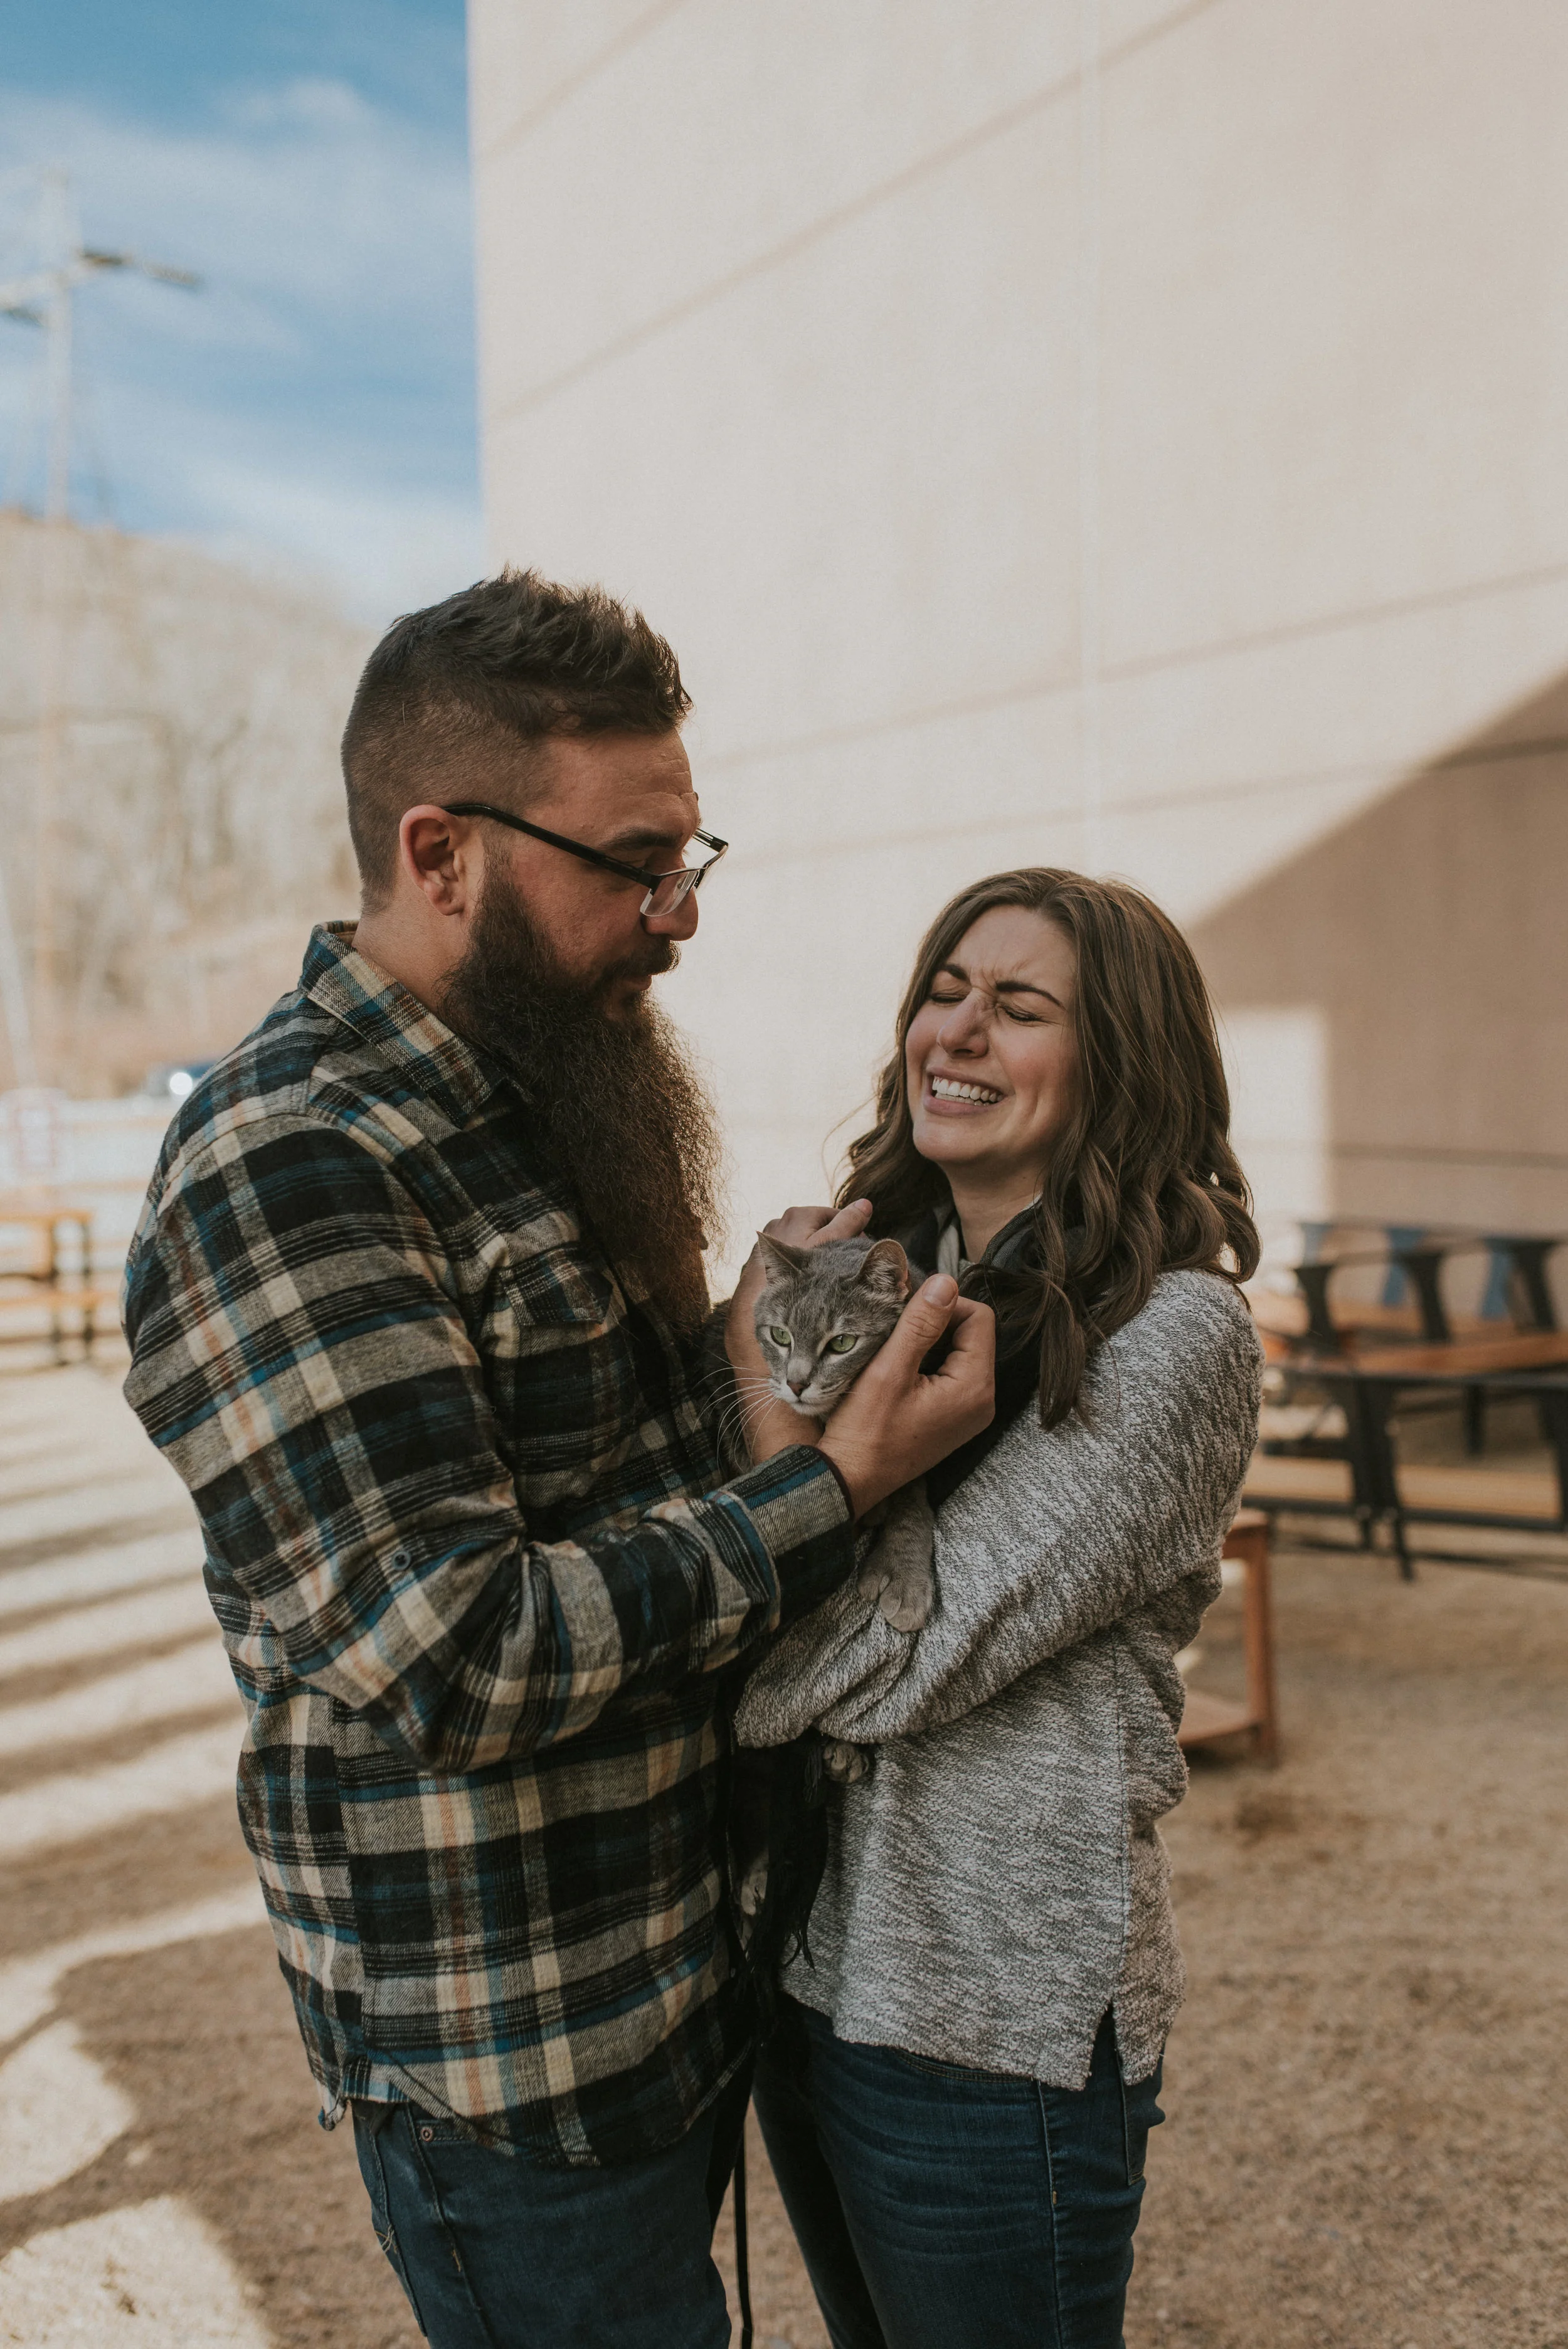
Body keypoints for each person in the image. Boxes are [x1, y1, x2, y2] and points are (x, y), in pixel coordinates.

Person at [119, 569, 994, 2349]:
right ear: (440, 852)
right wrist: (834, 1488)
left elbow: (630, 1477)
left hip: (669, 1971)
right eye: (632, 861)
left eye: (694, 854)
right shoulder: (291, 1159)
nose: (680, 913)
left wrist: (749, 1347)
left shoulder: (544, 1087)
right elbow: (460, 1645)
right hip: (508, 2053)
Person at [723, 867, 1264, 2349]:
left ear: (1117, 1063)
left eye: (1018, 1006)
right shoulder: (885, 1274)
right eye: (942, 990)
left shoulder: (1173, 1334)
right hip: (807, 1968)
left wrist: (764, 1425)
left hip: (981, 2013)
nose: (953, 1032)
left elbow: (892, 1667)